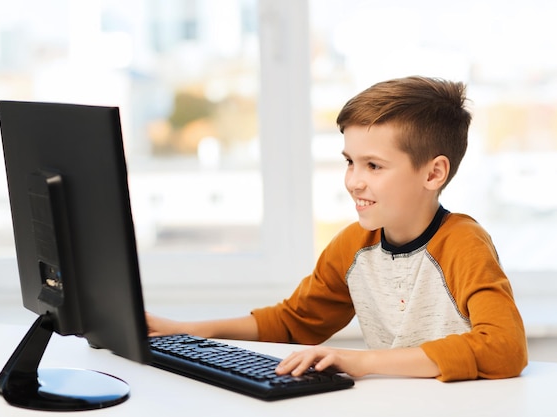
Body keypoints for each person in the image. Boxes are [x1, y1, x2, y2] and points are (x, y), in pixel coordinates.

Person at [146, 76, 528, 382]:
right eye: (350, 162)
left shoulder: (462, 243)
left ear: (433, 173)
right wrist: (185, 329)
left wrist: (363, 362)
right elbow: (291, 323)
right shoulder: (354, 245)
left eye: (373, 166)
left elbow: (505, 349)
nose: (353, 182)